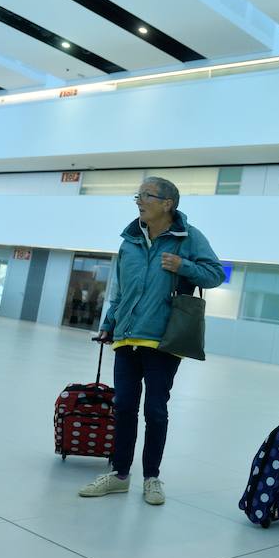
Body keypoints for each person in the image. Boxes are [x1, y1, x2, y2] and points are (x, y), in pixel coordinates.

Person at [78, 177, 225, 505]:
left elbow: (215, 274)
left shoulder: (188, 238)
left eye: (146, 195)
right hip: (126, 336)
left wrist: (183, 265)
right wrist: (108, 325)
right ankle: (119, 475)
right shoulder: (129, 241)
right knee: (124, 407)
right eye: (138, 195)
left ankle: (151, 478)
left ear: (167, 203)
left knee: (156, 410)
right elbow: (120, 289)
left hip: (163, 340)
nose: (139, 201)